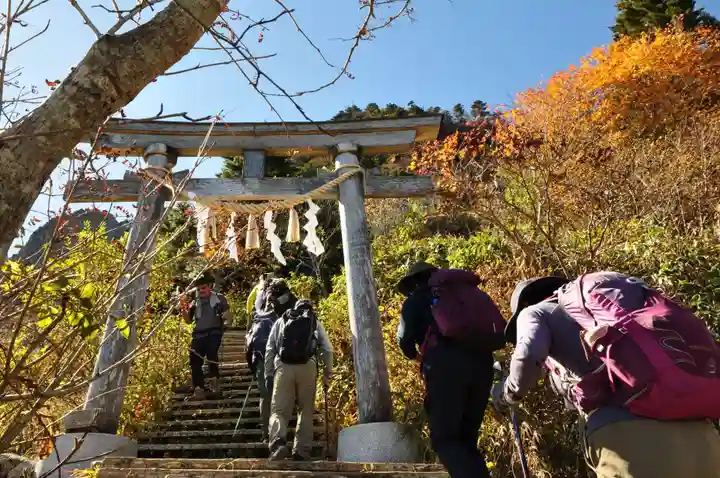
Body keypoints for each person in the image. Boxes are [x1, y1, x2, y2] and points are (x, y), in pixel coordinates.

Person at [493, 272, 720, 478]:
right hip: (704, 438)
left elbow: (529, 354)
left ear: (525, 304)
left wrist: (507, 394)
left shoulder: (535, 312)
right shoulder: (616, 312)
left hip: (632, 443)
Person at [397, 262, 506, 478]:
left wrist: (417, 356)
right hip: (483, 364)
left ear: (416, 281)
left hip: (445, 368)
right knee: (466, 440)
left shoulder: (416, 300)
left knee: (445, 439)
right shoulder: (468, 294)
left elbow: (405, 341)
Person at [265, 299, 333, 461]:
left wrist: (268, 373)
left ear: (295, 308)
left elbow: (270, 348)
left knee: (279, 410)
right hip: (308, 368)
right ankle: (301, 451)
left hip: (284, 367)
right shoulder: (314, 322)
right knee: (305, 410)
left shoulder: (282, 320)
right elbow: (327, 349)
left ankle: (278, 443)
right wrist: (326, 374)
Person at [245, 278, 295, 443]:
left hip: (259, 354)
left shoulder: (259, 302)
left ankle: (267, 434)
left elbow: (250, 323)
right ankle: (279, 434)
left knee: (266, 396)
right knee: (282, 394)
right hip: (281, 355)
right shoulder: (286, 299)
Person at [180, 272, 231, 400]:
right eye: (199, 289)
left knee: (211, 356)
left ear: (209, 286)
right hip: (198, 334)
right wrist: (183, 310)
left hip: (213, 332)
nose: (201, 291)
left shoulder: (219, 299)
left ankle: (215, 386)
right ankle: (199, 388)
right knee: (194, 360)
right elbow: (188, 320)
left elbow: (227, 316)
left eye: (203, 288)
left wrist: (225, 324)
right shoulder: (194, 303)